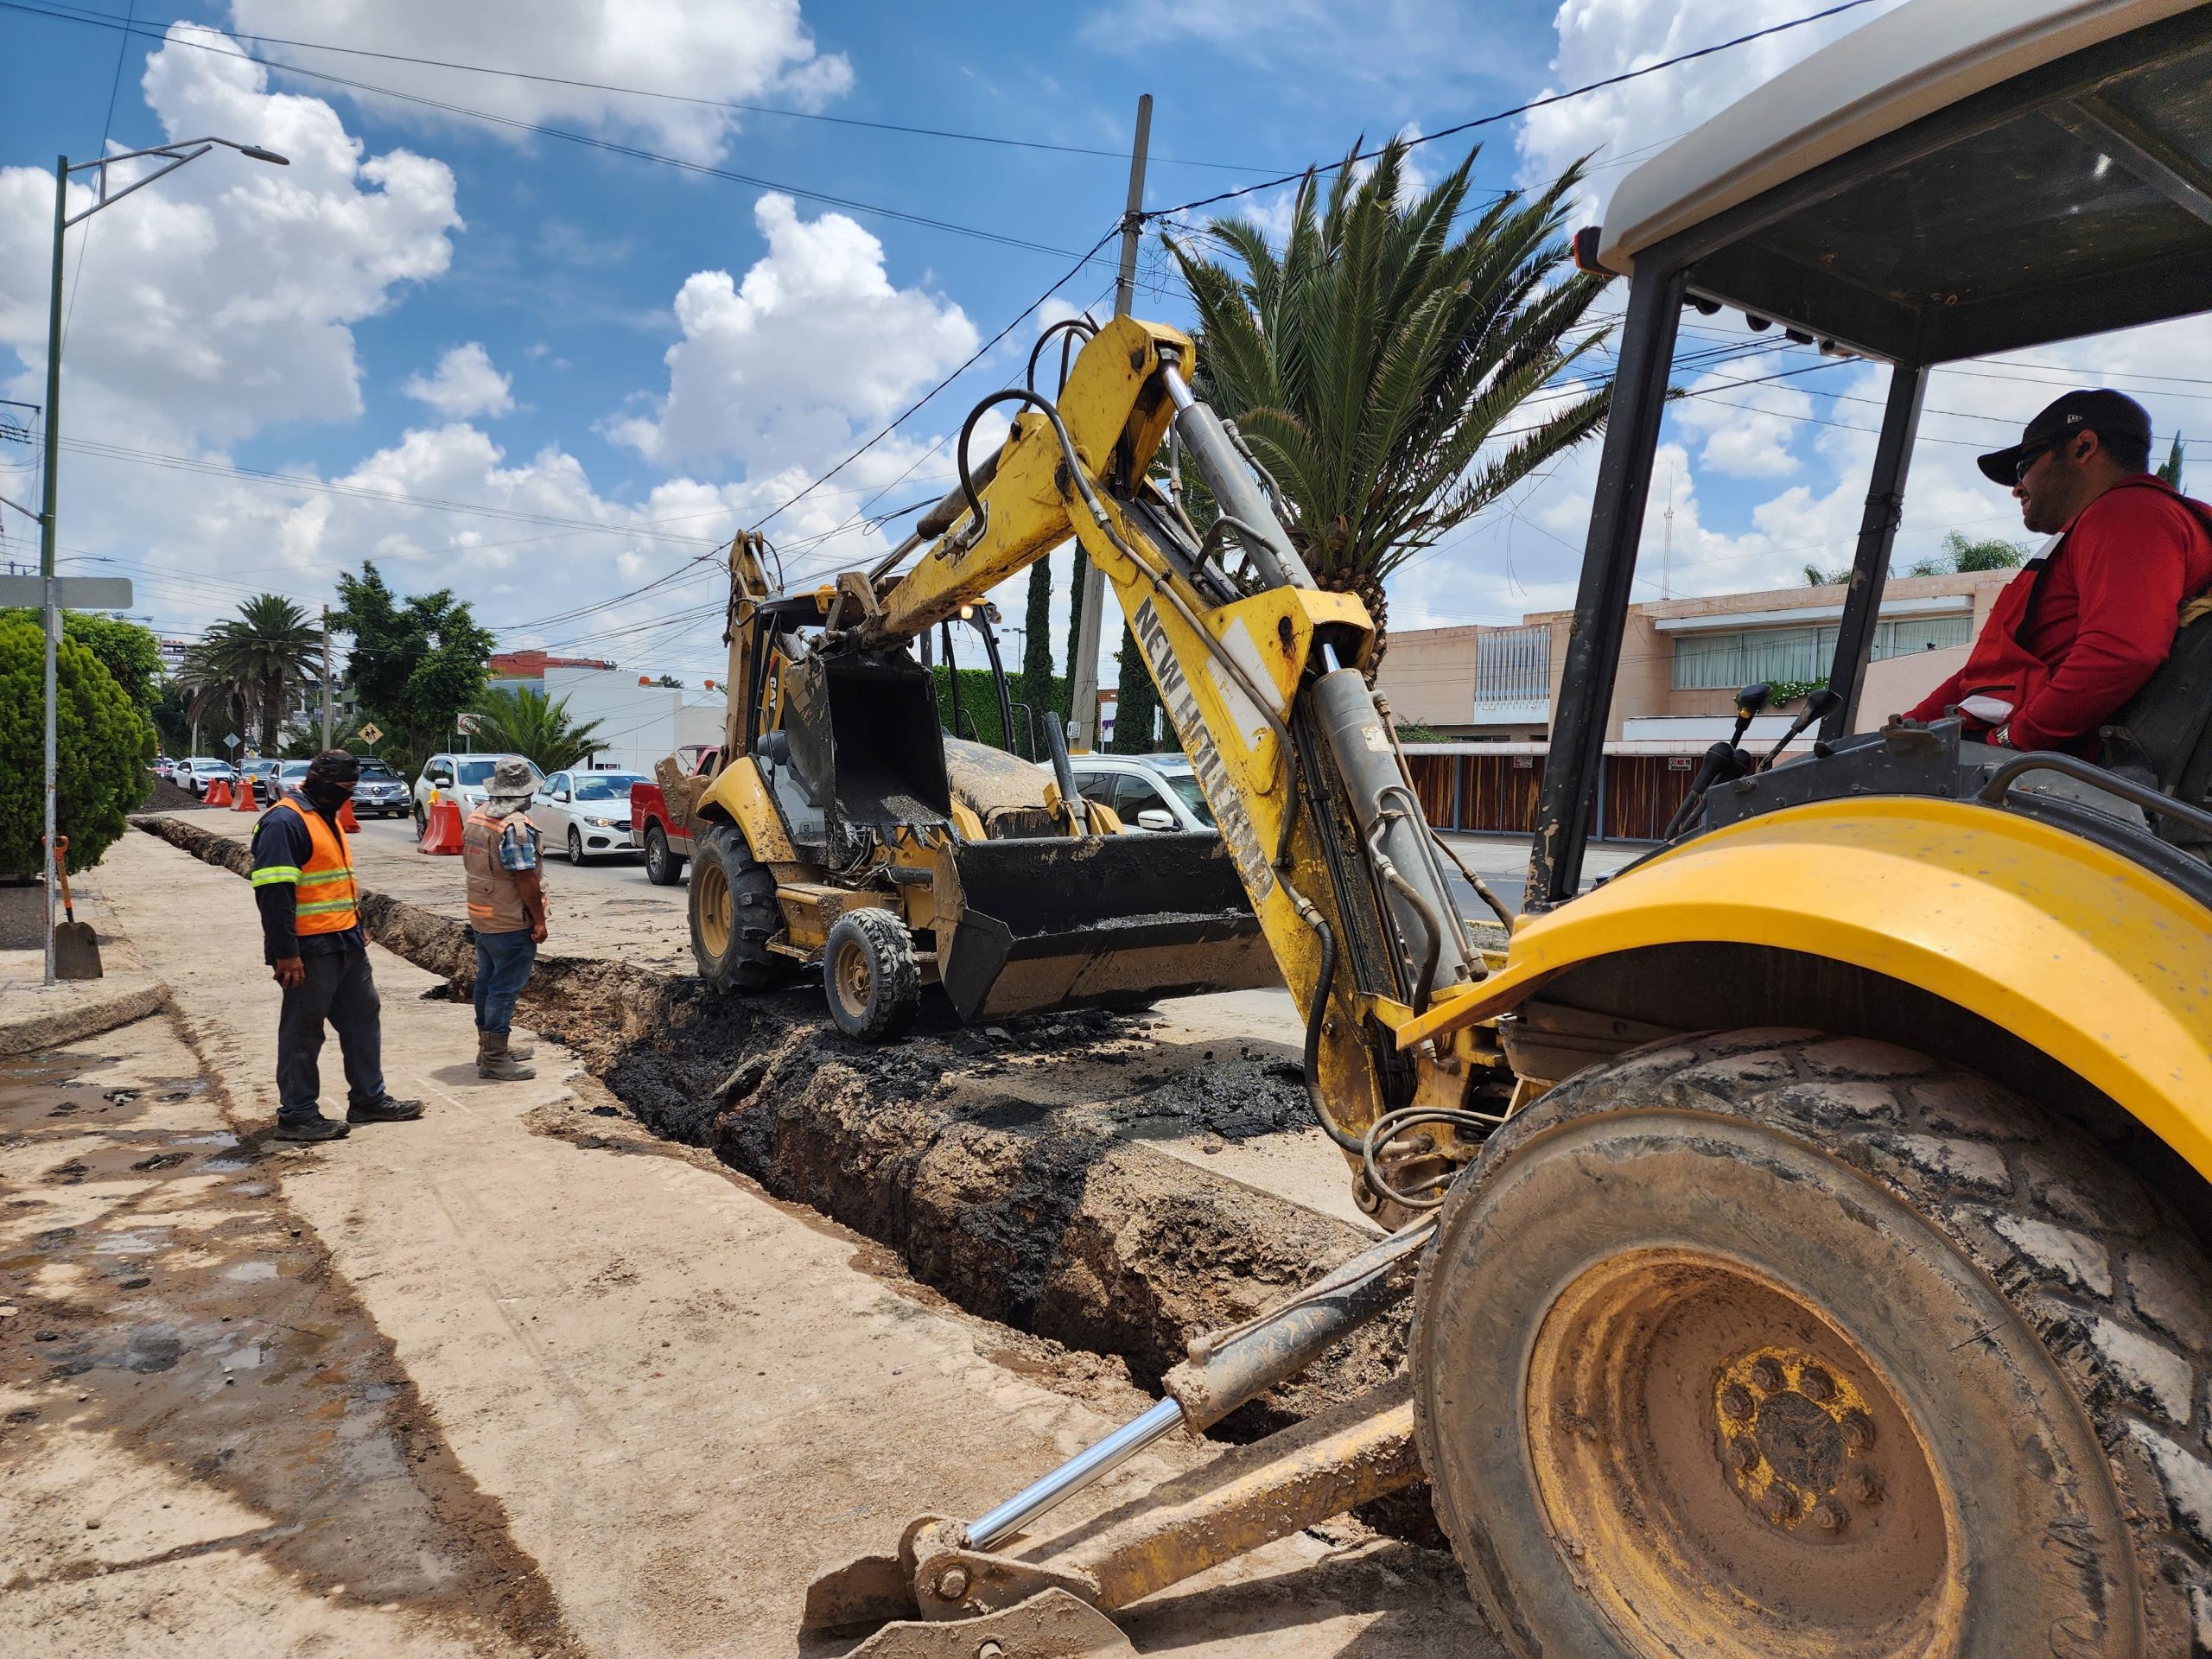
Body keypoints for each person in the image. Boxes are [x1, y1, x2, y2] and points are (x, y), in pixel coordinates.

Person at [1907, 389, 2212, 753]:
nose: (2018, 489)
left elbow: (2122, 652)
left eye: (2024, 467)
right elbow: (1983, 676)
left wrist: (2014, 739)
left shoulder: (2127, 513)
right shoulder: (2111, 525)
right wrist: (1900, 733)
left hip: (2041, 766)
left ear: (2084, 447)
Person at [251, 749, 424, 1141]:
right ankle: (297, 1114)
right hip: (309, 949)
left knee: (364, 1017)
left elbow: (336, 881)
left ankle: (368, 1099)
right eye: (342, 788)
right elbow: (274, 894)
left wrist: (357, 925)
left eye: (351, 787)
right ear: (319, 781)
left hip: (345, 939)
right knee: (304, 1029)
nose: (347, 794)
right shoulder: (284, 821)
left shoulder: (325, 816)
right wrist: (286, 952)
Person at [461, 757, 547, 1080]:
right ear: (524, 794)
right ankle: (495, 1058)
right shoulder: (515, 827)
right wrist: (539, 920)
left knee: (486, 981)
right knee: (503, 988)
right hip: (509, 920)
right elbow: (525, 878)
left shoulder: (479, 817)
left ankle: (488, 1047)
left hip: (482, 915)